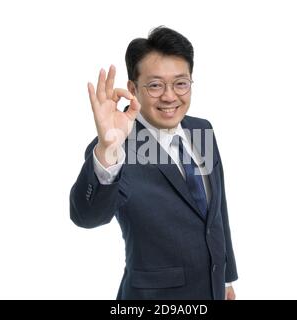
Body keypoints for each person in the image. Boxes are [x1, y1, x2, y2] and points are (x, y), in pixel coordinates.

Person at [70, 26, 238, 300]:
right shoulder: (116, 144)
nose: (170, 96)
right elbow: (87, 217)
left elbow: (217, 211)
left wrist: (226, 278)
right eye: (156, 85)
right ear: (133, 88)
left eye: (181, 83)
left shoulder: (202, 130)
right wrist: (108, 148)